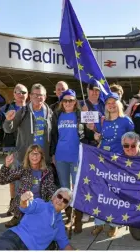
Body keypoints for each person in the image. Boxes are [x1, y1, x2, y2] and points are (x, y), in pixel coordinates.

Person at [50, 89, 95, 234]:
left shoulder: (80, 115)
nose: (68, 103)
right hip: (61, 156)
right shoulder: (57, 115)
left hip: (77, 156)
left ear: (75, 102)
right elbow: (53, 136)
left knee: (77, 188)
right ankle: (68, 218)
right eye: (65, 100)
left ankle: (78, 219)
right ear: (61, 102)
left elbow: (89, 133)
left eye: (71, 100)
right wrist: (52, 154)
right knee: (64, 188)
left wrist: (88, 120)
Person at [92, 93, 134, 237]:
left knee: (115, 194)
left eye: (113, 102)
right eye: (108, 103)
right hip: (103, 162)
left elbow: (132, 141)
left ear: (119, 104)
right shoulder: (103, 121)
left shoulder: (126, 121)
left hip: (119, 163)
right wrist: (96, 136)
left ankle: (114, 224)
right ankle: (99, 223)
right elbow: (98, 136)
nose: (111, 105)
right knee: (100, 192)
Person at [0, 84, 28, 217]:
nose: (21, 94)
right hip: (12, 147)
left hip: (29, 147)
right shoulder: (6, 108)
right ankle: (13, 203)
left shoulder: (31, 108)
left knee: (28, 177)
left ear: (27, 95)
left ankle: (26, 204)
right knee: (13, 178)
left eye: (23, 92)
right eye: (18, 92)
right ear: (14, 94)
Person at [0, 189, 74, 250]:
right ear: (53, 197)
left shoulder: (59, 224)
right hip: (14, 239)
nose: (61, 200)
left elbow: (65, 244)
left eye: (65, 200)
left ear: (65, 206)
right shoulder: (41, 204)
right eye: (59, 196)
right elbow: (26, 207)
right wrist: (24, 200)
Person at [0, 144, 57, 228]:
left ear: (41, 156)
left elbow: (51, 189)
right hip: (24, 206)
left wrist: (51, 206)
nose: (34, 156)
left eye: (37, 153)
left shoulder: (47, 171)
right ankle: (17, 217)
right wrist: (6, 165)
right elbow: (1, 180)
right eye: (32, 153)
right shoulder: (22, 169)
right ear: (28, 155)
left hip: (39, 206)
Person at [3, 83, 53, 164]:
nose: (37, 97)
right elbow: (8, 130)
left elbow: (53, 135)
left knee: (40, 177)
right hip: (25, 157)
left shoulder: (50, 113)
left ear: (45, 97)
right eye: (35, 94)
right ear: (30, 96)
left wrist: (52, 155)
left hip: (43, 157)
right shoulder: (23, 111)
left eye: (41, 95)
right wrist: (8, 120)